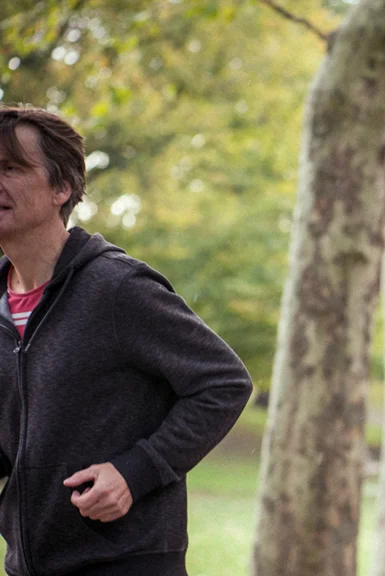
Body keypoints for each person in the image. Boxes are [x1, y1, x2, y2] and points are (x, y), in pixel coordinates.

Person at [0, 104, 253, 575]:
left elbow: (224, 383)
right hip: (29, 564)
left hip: (124, 561)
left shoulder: (117, 288)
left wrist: (136, 471)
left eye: (11, 168)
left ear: (62, 188)